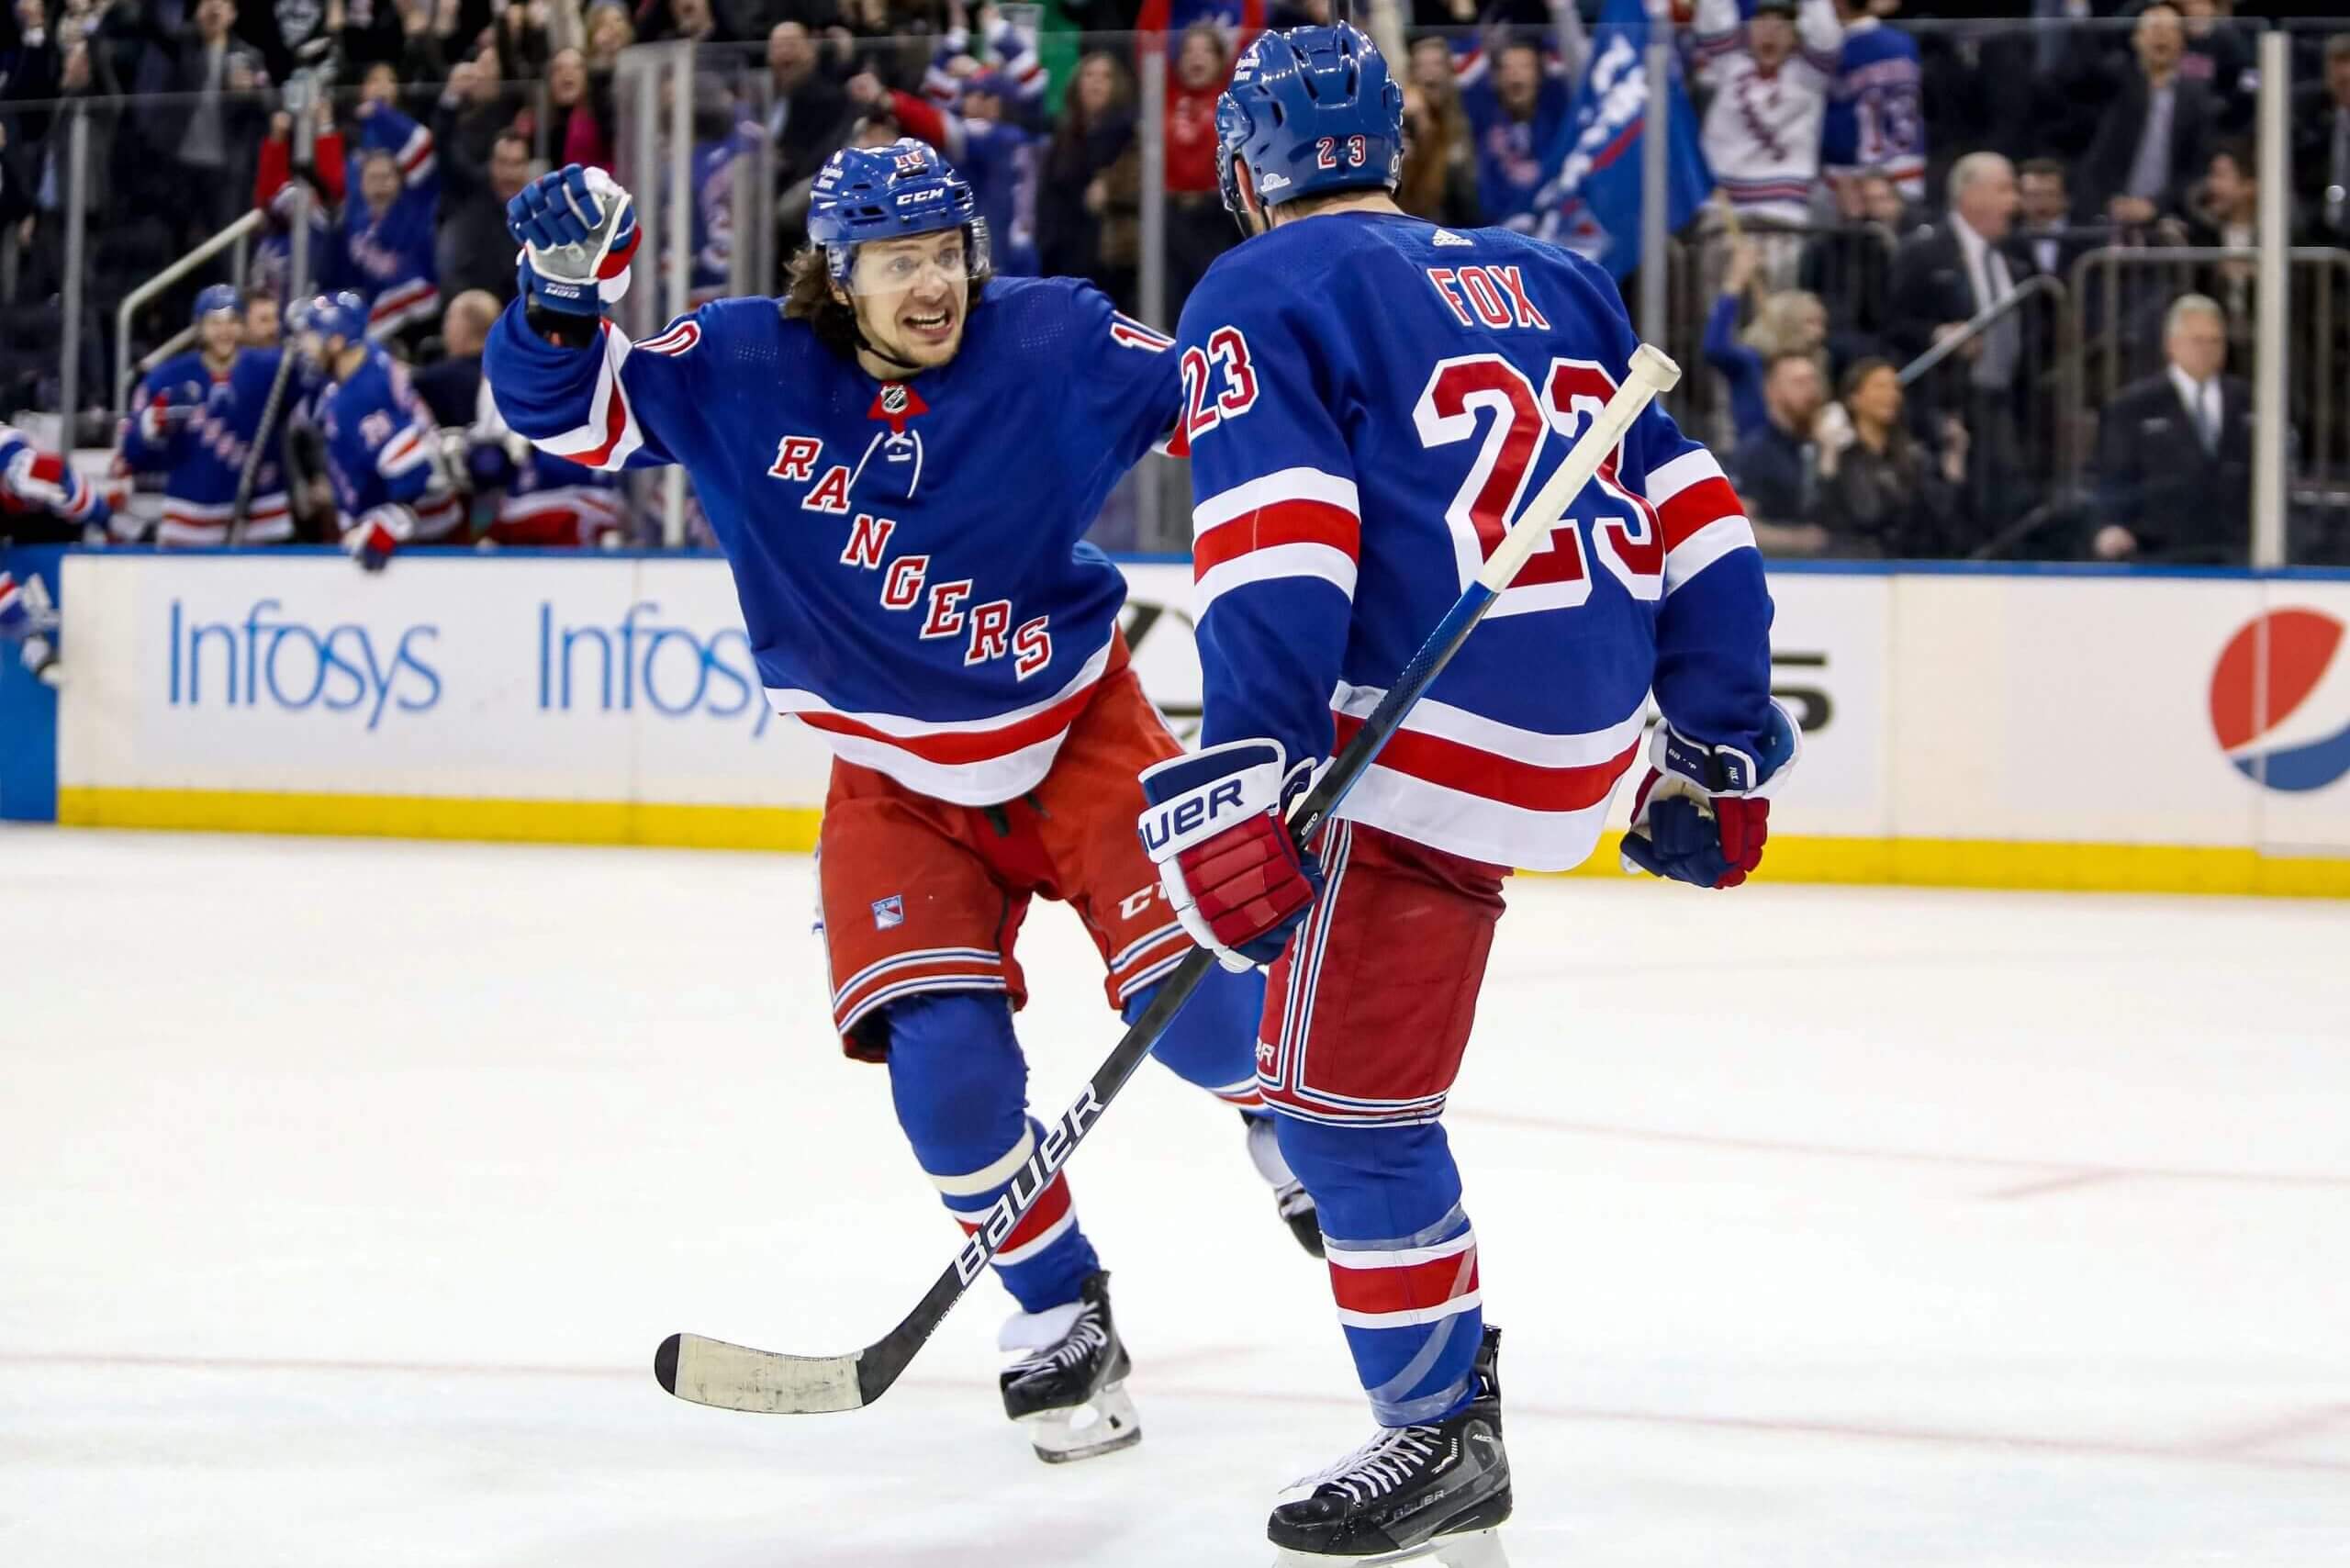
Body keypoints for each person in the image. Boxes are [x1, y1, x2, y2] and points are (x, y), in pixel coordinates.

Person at [482, 144, 1322, 1463]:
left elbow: (1228, 402)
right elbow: (569, 414)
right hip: (891, 781)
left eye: (946, 254)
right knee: (946, 1082)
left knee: (1205, 1021)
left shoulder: (1054, 338)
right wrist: (553, 294)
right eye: (899, 262)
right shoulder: (744, 364)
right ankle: (1061, 1314)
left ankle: (1286, 1117)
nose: (934, 285)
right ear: (838, 273)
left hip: (1079, 733)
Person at [1145, 23, 1789, 1564]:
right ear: (1400, 146)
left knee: (1349, 1112)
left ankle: (1438, 1429)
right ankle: (1313, 1149)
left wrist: (1250, 761)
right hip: (1576, 733)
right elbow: (1695, 506)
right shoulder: (1555, 274)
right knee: (1264, 1021)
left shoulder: (1257, 287)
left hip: (1419, 738)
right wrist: (1715, 732)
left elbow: (1281, 541)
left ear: (1245, 170)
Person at [287, 291, 463, 569]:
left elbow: (415, 469)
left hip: (416, 543)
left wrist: (385, 527)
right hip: (400, 525)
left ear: (336, 342)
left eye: (312, 336)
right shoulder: (365, 358)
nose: (305, 346)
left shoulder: (364, 395)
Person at [116, 286, 297, 547]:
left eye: (232, 321)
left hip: (263, 520)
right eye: (215, 322)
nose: (224, 332)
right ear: (199, 327)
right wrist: (153, 421)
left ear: (243, 325)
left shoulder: (273, 369)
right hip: (190, 523)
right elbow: (130, 451)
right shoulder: (167, 377)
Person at [2092, 293, 2250, 565]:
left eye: (2216, 341)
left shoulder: (2248, 401)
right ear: (2172, 345)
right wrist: (2110, 526)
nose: (2207, 349)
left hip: (2235, 553)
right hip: (2159, 553)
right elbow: (2113, 475)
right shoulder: (2133, 406)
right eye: (2197, 340)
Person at [1692, 0, 1844, 226]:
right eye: (1762, 23)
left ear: (1795, 35)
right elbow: (1713, 16)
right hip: (1724, 208)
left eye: (1781, 25)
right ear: (1747, 30)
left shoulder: (1810, 77)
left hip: (1783, 211)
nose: (1770, 33)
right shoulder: (1729, 65)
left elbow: (1826, 38)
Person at [2071, 1, 2214, 231]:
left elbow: (2195, 169)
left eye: (2170, 30)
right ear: (2135, 39)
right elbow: (2081, 69)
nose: (2161, 36)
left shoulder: (2196, 98)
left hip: (2167, 218)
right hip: (2107, 211)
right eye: (2154, 29)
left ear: (2183, 42)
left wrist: (2155, 206)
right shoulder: (2114, 83)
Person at [1817, 356, 1962, 557]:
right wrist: (1829, 452)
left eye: (1895, 388)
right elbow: (1846, 514)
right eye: (1879, 386)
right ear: (1854, 398)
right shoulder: (1841, 457)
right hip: (1854, 566)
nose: (1891, 395)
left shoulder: (1913, 456)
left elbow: (1942, 514)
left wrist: (1955, 456)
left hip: (1909, 563)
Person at [1726, 351, 1831, 554]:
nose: (1810, 391)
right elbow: (1738, 525)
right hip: (1779, 568)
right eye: (1799, 383)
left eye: (1813, 381)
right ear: (1771, 391)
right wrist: (1794, 540)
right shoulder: (1755, 452)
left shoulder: (1824, 445)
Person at [1456, 35, 1565, 231]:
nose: (1515, 75)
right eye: (1507, 68)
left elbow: (1571, 62)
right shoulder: (1481, 116)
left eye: (1525, 67)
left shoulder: (1557, 114)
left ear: (1539, 76)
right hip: (1491, 230)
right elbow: (1466, 72)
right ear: (1496, 78)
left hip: (1550, 231)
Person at [1819, 0, 1924, 202]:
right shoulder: (1904, 42)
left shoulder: (1840, 49)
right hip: (1910, 170)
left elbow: (1838, 131)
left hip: (1858, 183)